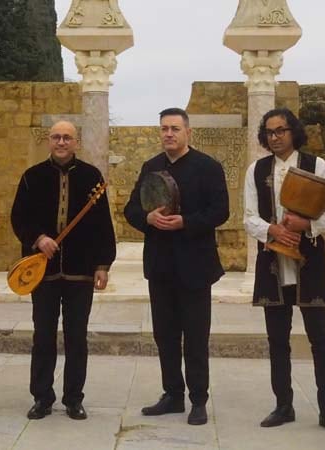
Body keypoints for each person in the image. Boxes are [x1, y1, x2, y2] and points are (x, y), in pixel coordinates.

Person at [243, 107, 325, 434]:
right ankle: (283, 405)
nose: (275, 137)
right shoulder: (256, 170)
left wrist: (306, 225)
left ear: (293, 131)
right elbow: (248, 217)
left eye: (281, 130)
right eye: (270, 132)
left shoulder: (318, 165)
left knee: (320, 338)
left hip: (309, 264)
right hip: (273, 265)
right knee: (277, 340)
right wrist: (272, 230)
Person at [123, 107, 229, 426]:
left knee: (195, 337)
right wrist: (148, 219)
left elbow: (220, 211)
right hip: (160, 266)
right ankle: (172, 395)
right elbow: (130, 209)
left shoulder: (208, 167)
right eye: (164, 129)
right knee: (165, 335)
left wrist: (185, 222)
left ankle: (198, 399)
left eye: (174, 128)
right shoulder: (150, 166)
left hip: (195, 266)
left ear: (188, 132)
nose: (168, 134)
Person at [10, 120, 116, 421]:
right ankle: (42, 398)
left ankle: (73, 398)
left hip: (80, 271)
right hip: (42, 272)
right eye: (56, 137)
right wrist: (38, 238)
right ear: (48, 140)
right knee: (43, 335)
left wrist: (103, 264)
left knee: (76, 337)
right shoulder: (32, 177)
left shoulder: (92, 177)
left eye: (67, 137)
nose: (61, 142)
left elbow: (102, 225)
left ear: (76, 142)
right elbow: (19, 217)